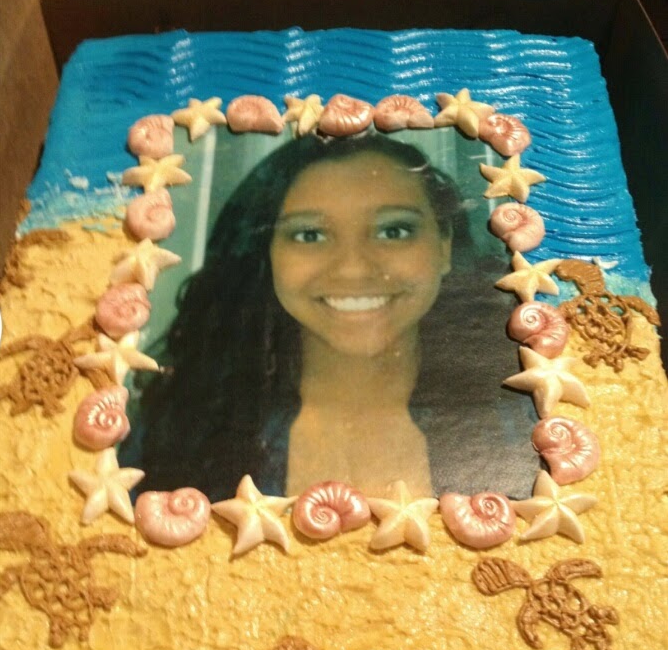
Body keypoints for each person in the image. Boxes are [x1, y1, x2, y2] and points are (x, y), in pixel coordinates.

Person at [122, 132, 538, 502]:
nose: (353, 269)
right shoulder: (173, 430)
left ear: (444, 246)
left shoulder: (531, 422)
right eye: (310, 235)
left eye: (393, 231)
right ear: (267, 255)